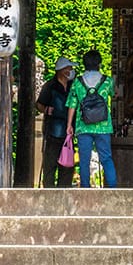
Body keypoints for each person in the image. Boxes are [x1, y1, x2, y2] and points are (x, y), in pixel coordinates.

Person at [67, 48, 116, 188]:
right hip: (103, 126)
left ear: (84, 64)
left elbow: (72, 104)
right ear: (99, 64)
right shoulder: (107, 81)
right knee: (106, 158)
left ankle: (85, 188)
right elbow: (114, 94)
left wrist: (69, 125)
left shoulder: (77, 82)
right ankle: (112, 188)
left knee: (84, 159)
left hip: (83, 125)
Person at [36, 58, 76, 188]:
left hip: (69, 132)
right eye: (68, 68)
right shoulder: (50, 86)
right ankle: (49, 190)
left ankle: (65, 189)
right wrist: (46, 109)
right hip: (52, 130)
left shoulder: (73, 86)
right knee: (50, 163)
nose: (71, 71)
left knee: (67, 163)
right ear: (61, 70)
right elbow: (39, 104)